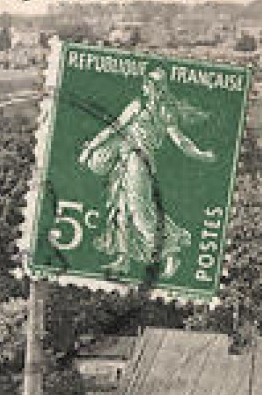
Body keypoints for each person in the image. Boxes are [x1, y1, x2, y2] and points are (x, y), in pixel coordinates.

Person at [77, 66, 217, 279]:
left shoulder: (165, 112)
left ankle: (171, 252)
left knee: (139, 212)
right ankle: (123, 260)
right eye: (147, 84)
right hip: (124, 160)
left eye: (153, 85)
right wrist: (90, 148)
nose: (148, 88)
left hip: (140, 161)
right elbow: (113, 128)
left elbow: (181, 141)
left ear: (159, 88)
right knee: (121, 208)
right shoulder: (136, 106)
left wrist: (201, 154)